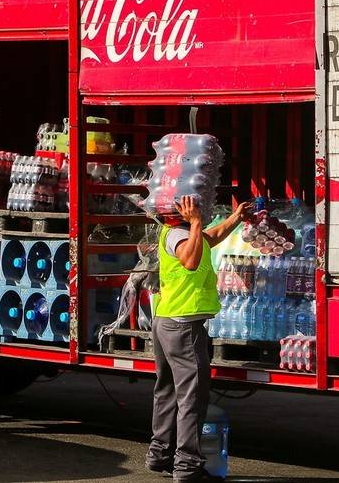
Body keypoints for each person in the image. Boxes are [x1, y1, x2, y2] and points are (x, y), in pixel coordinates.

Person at [147, 195, 251, 482]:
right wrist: (195, 222)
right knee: (191, 398)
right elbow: (191, 260)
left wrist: (235, 218)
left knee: (167, 391)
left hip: (169, 320)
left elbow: (209, 238)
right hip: (183, 325)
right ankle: (187, 467)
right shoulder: (180, 233)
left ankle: (161, 455)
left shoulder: (183, 232)